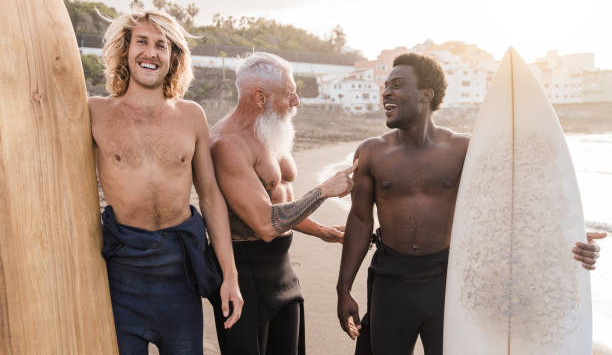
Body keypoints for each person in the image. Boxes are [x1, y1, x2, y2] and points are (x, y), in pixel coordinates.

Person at [336, 53, 606, 355]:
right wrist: (343, 288)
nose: (386, 92)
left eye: (397, 85)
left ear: (426, 94)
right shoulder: (372, 152)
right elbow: (360, 221)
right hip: (390, 279)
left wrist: (570, 239)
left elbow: (514, 210)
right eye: (385, 86)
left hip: (449, 282)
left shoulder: (465, 150)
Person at [88, 10, 243, 355]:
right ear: (126, 49)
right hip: (121, 273)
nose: (151, 52)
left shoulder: (191, 115)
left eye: (162, 45)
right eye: (141, 41)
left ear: (173, 57)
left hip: (179, 274)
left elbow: (210, 195)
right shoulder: (95, 112)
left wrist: (230, 277)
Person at [209, 52, 356, 355]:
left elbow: (277, 203)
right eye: (289, 94)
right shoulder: (227, 144)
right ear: (260, 96)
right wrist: (324, 191)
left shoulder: (269, 131)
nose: (297, 101)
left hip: (282, 271)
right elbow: (264, 223)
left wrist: (322, 231)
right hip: (246, 275)